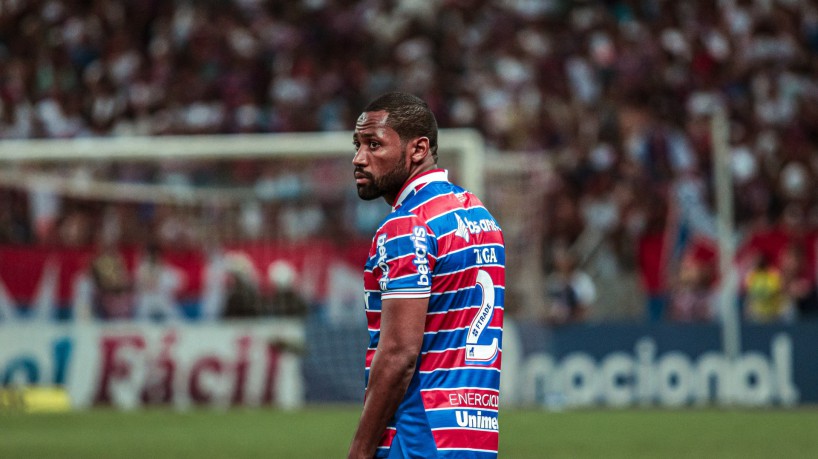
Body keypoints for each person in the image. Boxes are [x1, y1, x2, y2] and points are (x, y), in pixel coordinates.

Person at [347, 92, 505, 459]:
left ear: (418, 149)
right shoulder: (481, 217)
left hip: (417, 435)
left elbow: (399, 353)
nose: (359, 158)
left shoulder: (405, 226)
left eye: (374, 145)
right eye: (357, 145)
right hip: (474, 436)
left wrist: (360, 450)